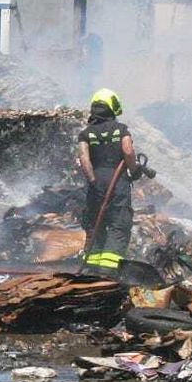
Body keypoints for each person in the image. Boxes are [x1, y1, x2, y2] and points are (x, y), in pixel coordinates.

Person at [78, 87, 138, 276]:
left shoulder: (86, 133)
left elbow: (83, 159)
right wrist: (133, 170)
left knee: (96, 223)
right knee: (118, 224)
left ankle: (92, 267)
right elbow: (128, 151)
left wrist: (93, 181)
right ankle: (109, 270)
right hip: (117, 181)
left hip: (96, 183)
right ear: (113, 107)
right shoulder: (121, 130)